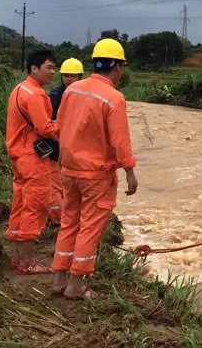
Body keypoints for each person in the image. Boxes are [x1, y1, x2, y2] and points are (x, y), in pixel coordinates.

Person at [51, 38, 138, 300]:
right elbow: (120, 141)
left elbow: (60, 126)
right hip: (96, 175)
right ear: (117, 67)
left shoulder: (73, 90)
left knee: (69, 223)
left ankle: (59, 279)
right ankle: (76, 285)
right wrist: (130, 171)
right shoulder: (114, 98)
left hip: (69, 170)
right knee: (89, 226)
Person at [5, 49, 59, 274]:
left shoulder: (19, 89)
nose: (53, 72)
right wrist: (64, 125)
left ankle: (17, 258)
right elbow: (45, 128)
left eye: (54, 68)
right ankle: (28, 263)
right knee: (34, 208)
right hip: (33, 159)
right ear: (34, 68)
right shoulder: (36, 94)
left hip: (19, 156)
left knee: (20, 204)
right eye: (49, 67)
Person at [46, 58, 84, 224]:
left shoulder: (85, 96)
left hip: (77, 148)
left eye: (73, 76)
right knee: (56, 182)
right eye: (66, 76)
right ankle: (59, 218)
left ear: (79, 77)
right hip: (57, 146)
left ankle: (71, 215)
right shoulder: (55, 96)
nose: (69, 79)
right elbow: (48, 123)